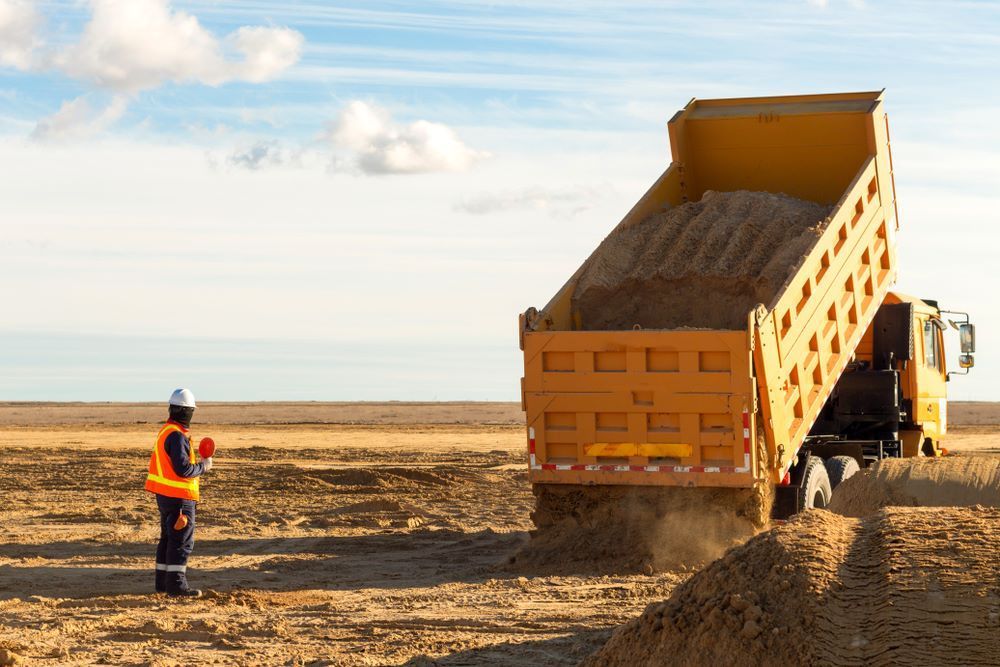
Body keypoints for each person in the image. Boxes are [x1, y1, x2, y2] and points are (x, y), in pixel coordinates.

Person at [144, 388, 212, 597]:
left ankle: (163, 584)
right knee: (181, 541)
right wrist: (204, 467)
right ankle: (176, 586)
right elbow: (183, 469)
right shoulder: (177, 436)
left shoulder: (166, 431)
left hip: (165, 496)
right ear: (186, 411)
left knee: (168, 539)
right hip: (179, 499)